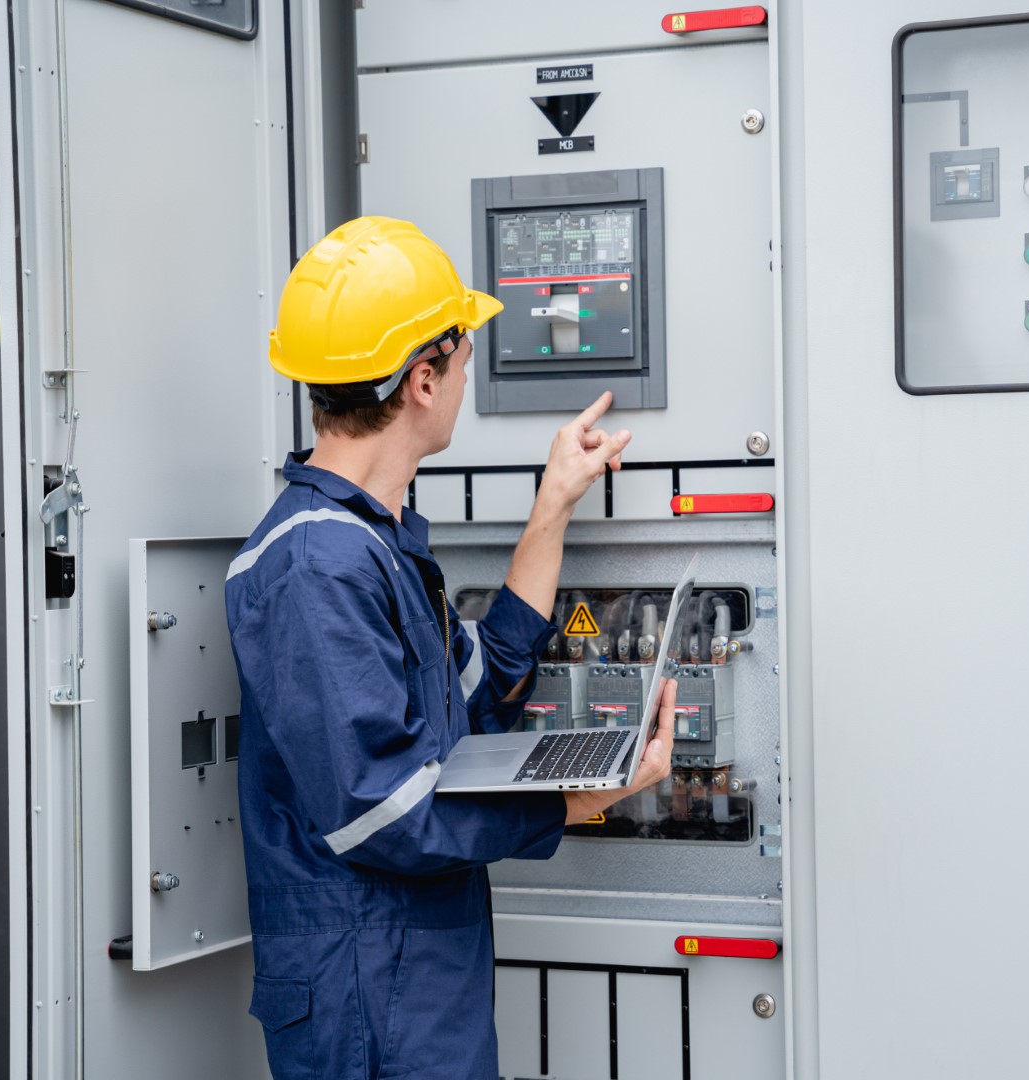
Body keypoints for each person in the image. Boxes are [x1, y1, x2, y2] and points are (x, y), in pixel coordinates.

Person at [225, 216, 676, 1079]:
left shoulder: (377, 540)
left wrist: (555, 503)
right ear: (424, 378)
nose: (466, 382)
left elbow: (483, 688)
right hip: (370, 990)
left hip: (414, 977)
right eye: (464, 363)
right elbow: (384, 812)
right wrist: (577, 803)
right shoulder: (314, 564)